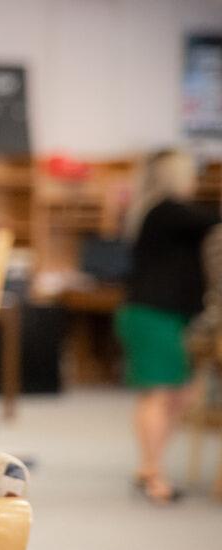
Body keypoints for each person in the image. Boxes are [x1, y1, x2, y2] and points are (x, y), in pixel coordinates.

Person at [116, 149, 221, 503]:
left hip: (166, 315)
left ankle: (148, 465)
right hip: (152, 315)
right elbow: (212, 220)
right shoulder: (166, 210)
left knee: (180, 393)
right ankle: (152, 472)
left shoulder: (155, 212)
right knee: (159, 394)